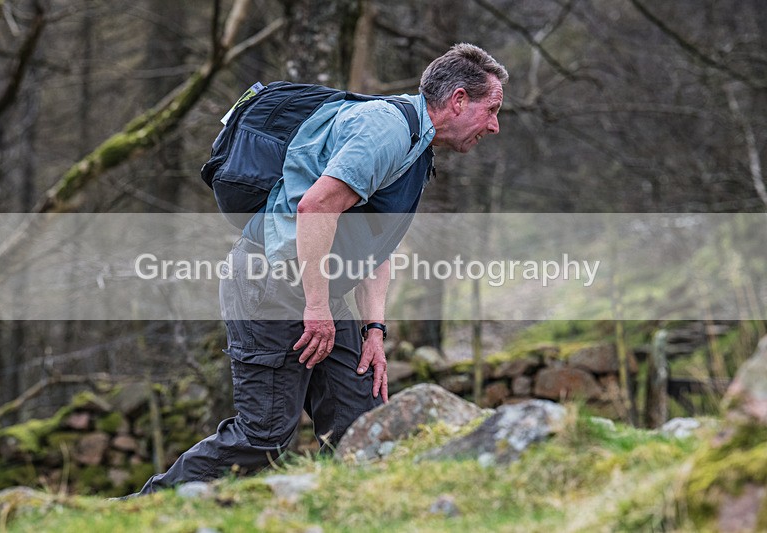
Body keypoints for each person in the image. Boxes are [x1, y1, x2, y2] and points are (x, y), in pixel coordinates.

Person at [134, 42, 507, 495]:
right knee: (263, 436)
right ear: (459, 100)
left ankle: (349, 515)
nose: (495, 125)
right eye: (491, 109)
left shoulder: (416, 147)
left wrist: (374, 330)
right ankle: (137, 510)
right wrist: (316, 306)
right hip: (270, 282)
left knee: (359, 423)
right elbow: (314, 209)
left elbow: (376, 244)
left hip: (316, 290)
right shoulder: (384, 131)